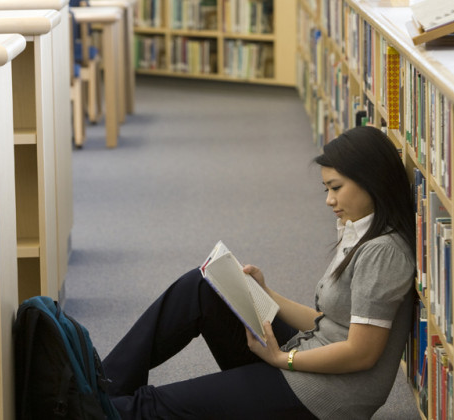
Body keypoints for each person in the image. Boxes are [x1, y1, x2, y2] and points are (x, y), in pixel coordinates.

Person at [102, 126, 417, 419]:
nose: (329, 200)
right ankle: (99, 387)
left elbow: (361, 353)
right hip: (309, 357)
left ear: (371, 179)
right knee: (202, 286)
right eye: (326, 188)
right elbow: (332, 323)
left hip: (324, 396)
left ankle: (90, 408)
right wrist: (265, 294)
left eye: (336, 188)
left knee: (150, 406)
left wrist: (283, 360)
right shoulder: (361, 230)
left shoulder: (383, 252)